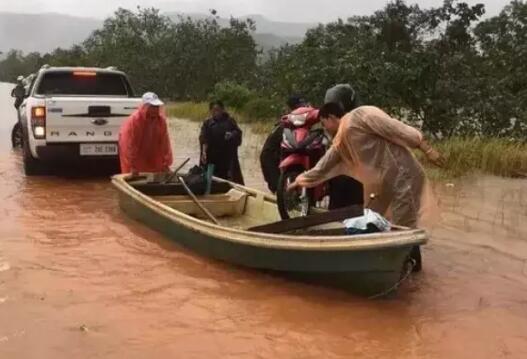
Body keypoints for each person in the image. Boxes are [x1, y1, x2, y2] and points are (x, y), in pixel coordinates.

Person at [288, 102, 445, 271]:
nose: (324, 128)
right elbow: (325, 165)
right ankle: (380, 265)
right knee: (374, 219)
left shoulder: (361, 116)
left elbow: (395, 128)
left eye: (324, 123)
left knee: (404, 228)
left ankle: (410, 271)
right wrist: (301, 180)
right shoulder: (342, 139)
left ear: (331, 117)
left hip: (404, 176)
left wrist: (427, 149)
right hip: (385, 183)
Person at [118, 92, 173, 177]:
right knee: (134, 176)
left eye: (157, 107)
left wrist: (166, 163)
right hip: (136, 155)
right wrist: (132, 166)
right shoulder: (134, 121)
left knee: (155, 175)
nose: (156, 109)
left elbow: (165, 143)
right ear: (146, 107)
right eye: (153, 107)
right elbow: (128, 145)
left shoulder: (161, 121)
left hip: (152, 153)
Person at [259, 95, 307, 193]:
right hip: (270, 157)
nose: (304, 107)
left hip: (272, 156)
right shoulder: (288, 124)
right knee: (279, 190)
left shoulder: (289, 121)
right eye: (300, 106)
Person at [200, 101, 244, 184]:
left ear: (223, 110)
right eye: (213, 110)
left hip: (227, 158)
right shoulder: (207, 123)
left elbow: (238, 133)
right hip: (212, 157)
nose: (216, 112)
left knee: (229, 179)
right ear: (210, 111)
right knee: (211, 180)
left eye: (218, 110)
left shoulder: (230, 121)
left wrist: (232, 135)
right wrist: (204, 152)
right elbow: (203, 139)